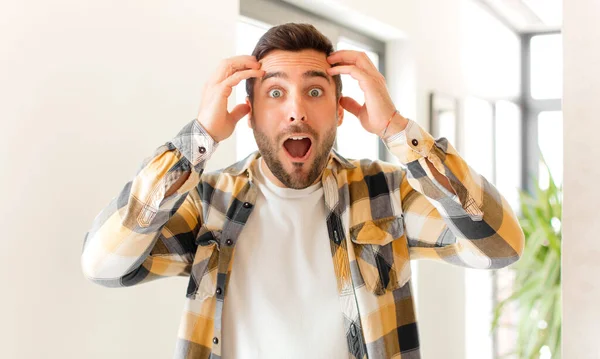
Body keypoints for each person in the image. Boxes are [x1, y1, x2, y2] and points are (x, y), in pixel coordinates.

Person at [81, 23, 525, 359]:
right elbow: (103, 265)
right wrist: (196, 141)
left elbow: (500, 246)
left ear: (339, 110)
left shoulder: (387, 192)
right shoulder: (206, 202)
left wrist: (398, 130)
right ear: (249, 114)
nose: (296, 110)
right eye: (275, 93)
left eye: (314, 91)